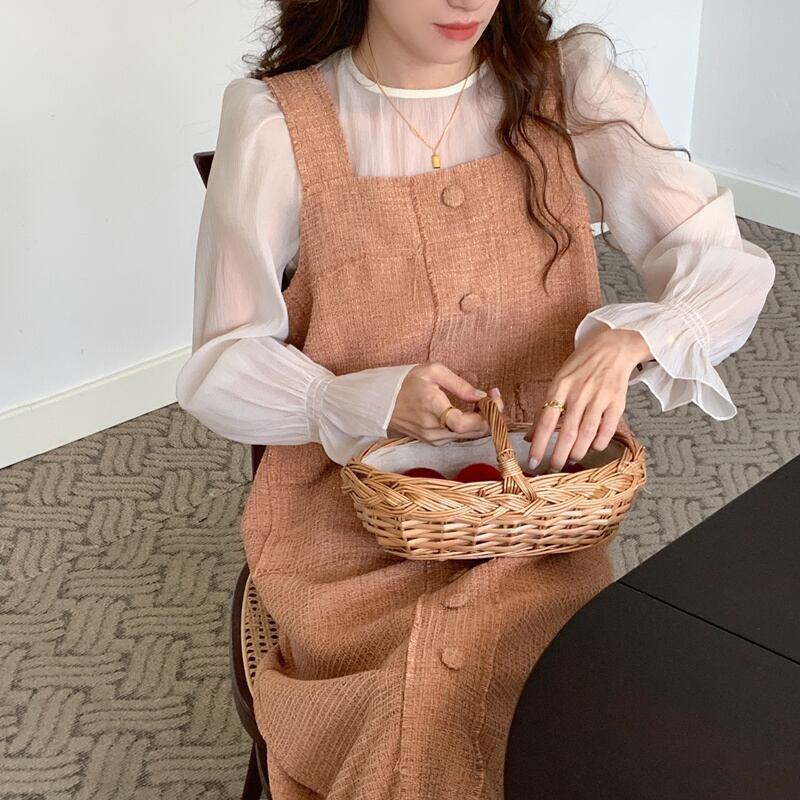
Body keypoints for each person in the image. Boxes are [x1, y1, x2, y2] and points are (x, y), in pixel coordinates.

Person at [176, 2, 776, 798]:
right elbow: (221, 365)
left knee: (578, 720)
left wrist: (632, 338)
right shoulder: (279, 122)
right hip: (353, 519)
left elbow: (724, 262)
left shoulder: (569, 89)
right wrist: (356, 399)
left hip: (539, 516)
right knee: (417, 725)